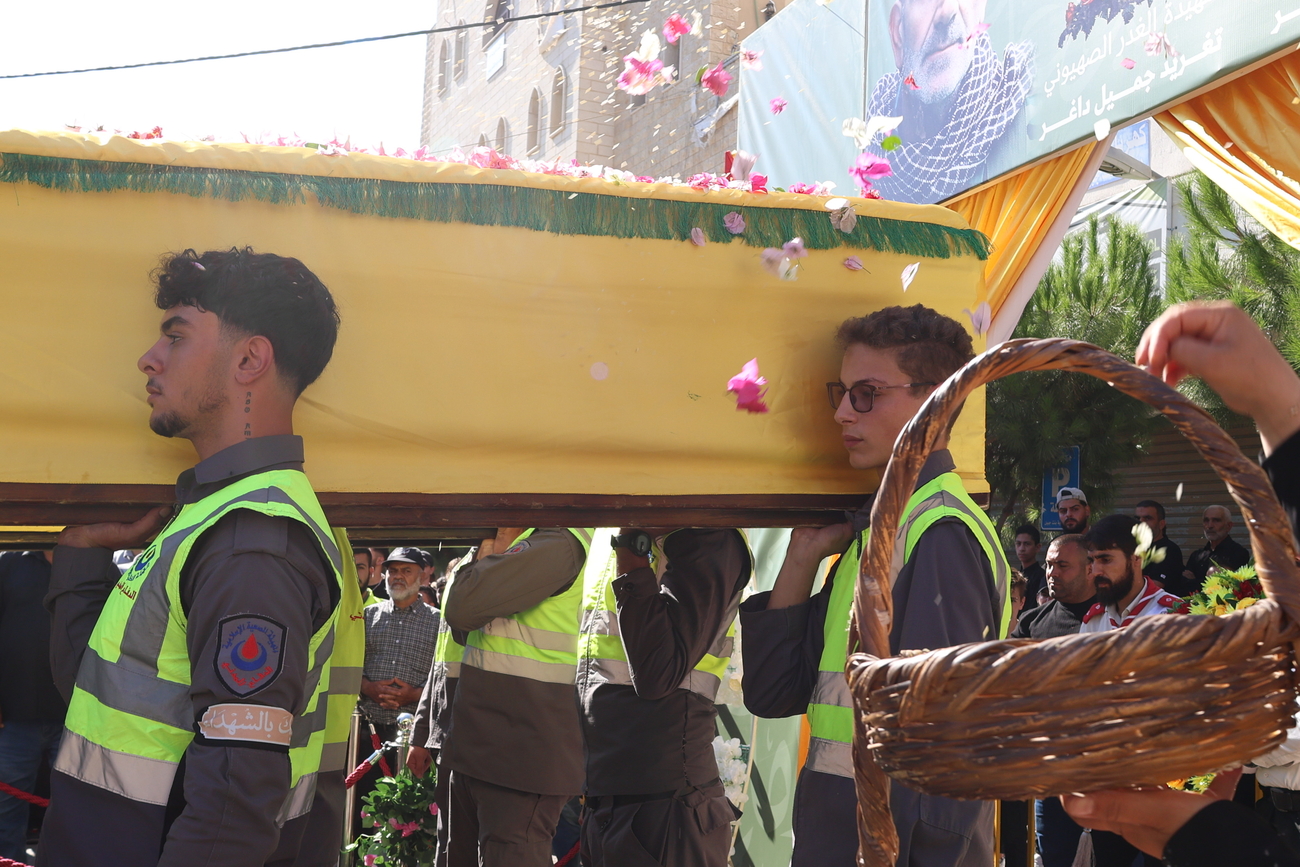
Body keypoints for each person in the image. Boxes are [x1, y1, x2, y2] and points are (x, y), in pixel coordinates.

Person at [40, 247, 345, 867]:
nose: (148, 359)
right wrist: (78, 554)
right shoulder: (209, 520)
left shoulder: (249, 541)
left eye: (175, 336)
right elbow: (104, 702)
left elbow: (235, 804)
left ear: (249, 359)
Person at [740, 304, 1011, 867]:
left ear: (936, 402)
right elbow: (772, 692)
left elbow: (927, 740)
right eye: (840, 391)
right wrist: (803, 558)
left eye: (865, 393)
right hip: (844, 826)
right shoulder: (879, 531)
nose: (842, 412)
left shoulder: (939, 532)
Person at [1060, 300, 1300, 866]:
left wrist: (1207, 836)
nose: (1095, 572)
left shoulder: (1176, 610)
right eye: (1088, 560)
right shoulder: (1091, 617)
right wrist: (1278, 410)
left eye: (1105, 560)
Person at [577, 527, 751, 867]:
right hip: (608, 799)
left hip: (665, 809)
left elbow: (657, 673)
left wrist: (630, 550)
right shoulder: (610, 528)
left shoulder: (707, 530)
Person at [437, 527, 591, 867]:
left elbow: (462, 607)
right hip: (484, 750)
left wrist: (487, 561)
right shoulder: (529, 538)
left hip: (520, 757)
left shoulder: (561, 541)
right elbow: (464, 628)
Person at [865, 0, 1033, 204]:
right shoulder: (875, 150)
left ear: (980, 8)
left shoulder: (1025, 106)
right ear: (897, 33)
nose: (948, 10)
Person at [1010, 534, 1095, 866]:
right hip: (1051, 774)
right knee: (1055, 856)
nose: (1052, 573)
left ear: (1090, 569)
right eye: (1048, 564)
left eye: (1062, 565)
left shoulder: (1112, 618)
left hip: (1103, 771)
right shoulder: (1032, 622)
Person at [355, 548, 439, 830]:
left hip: (415, 740)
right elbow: (349, 667)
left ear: (423, 575)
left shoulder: (439, 622)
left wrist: (414, 695)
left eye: (406, 571)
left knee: (409, 825)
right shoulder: (366, 616)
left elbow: (445, 677)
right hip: (365, 736)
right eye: (393, 571)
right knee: (360, 817)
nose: (397, 577)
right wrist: (368, 687)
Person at [0, 550, 71, 863]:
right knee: (6, 809)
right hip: (13, 714)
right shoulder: (10, 564)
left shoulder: (102, 567)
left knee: (75, 807)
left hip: (76, 716)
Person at [408, 553, 471, 867]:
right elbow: (438, 671)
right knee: (449, 842)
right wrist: (421, 738)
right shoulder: (449, 615)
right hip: (448, 740)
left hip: (480, 740)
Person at [1078, 515, 1180, 636]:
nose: (1095, 572)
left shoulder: (1173, 614)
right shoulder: (1094, 619)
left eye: (1105, 560)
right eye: (1091, 560)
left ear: (1137, 558)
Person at [1183, 505, 1251, 587]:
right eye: (1206, 520)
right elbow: (1184, 586)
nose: (1210, 525)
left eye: (1216, 520)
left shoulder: (1239, 553)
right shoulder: (1196, 556)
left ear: (1228, 526)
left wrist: (1195, 581)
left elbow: (1233, 587)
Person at [1134, 500, 1187, 594]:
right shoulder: (1134, 548)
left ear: (1161, 524)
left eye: (1147, 518)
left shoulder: (1169, 550)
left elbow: (1154, 587)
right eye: (1137, 518)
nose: (1141, 522)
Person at [1013, 523, 1045, 607]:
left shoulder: (1042, 577)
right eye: (1018, 544)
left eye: (1027, 544)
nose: (1022, 549)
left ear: (1037, 547)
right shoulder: (1015, 576)